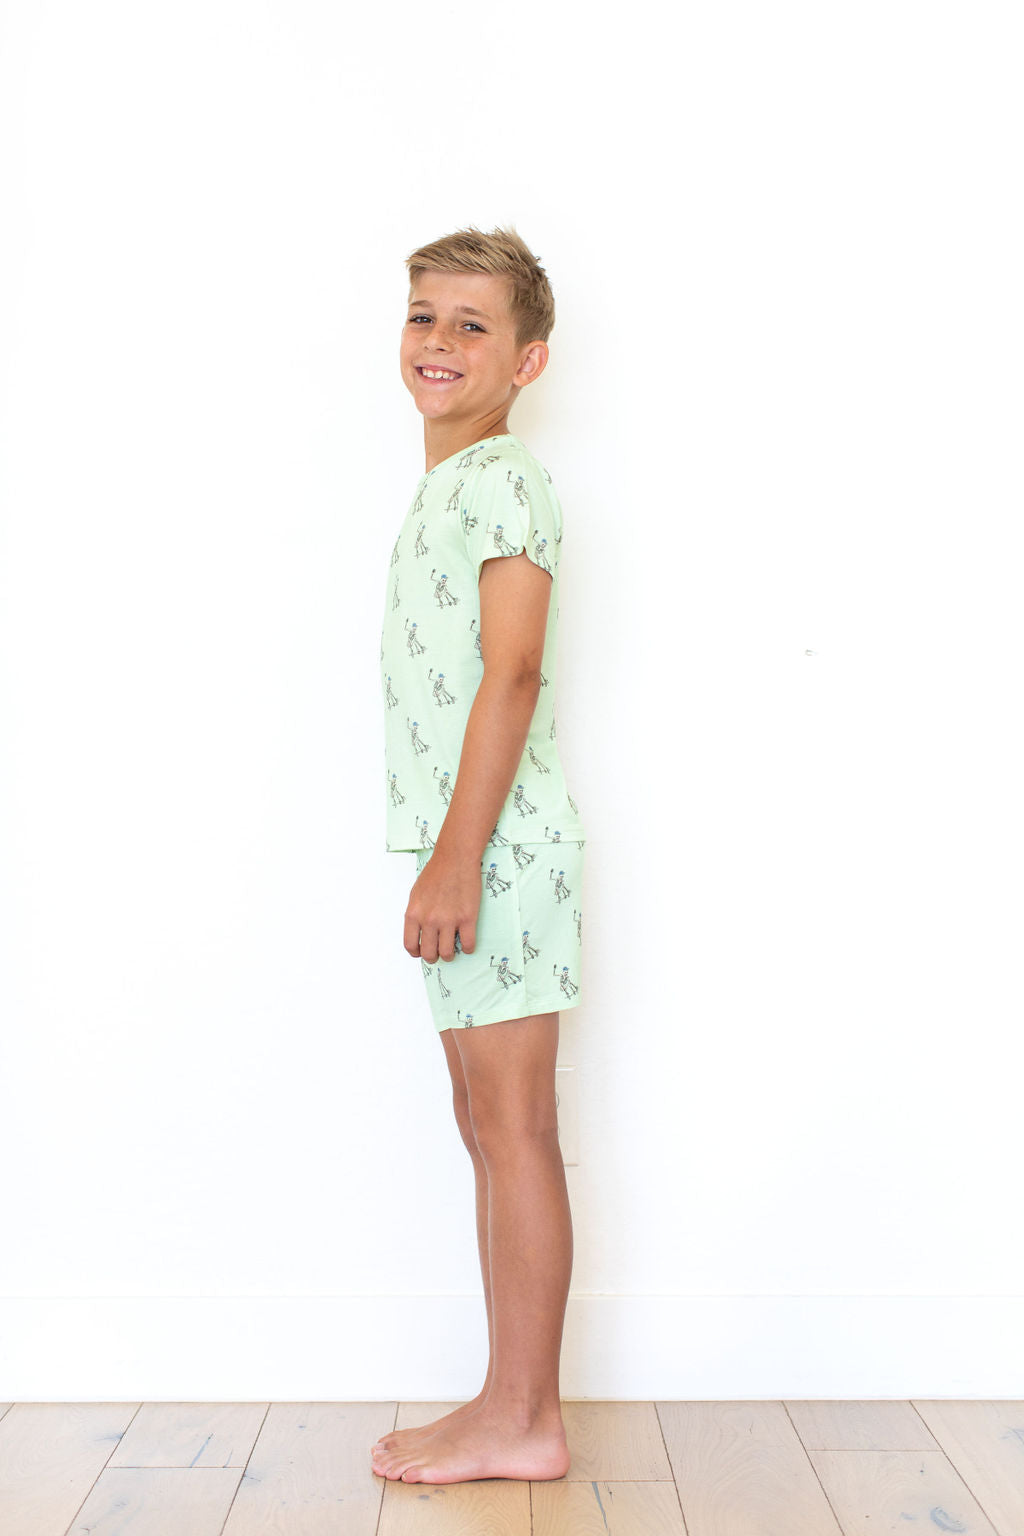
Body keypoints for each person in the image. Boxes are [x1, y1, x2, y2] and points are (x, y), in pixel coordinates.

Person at [370, 226, 586, 1486]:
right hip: (470, 849)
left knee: (513, 1127)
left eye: (472, 325)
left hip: (499, 853)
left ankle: (526, 1417)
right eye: (423, 316)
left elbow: (512, 673)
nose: (439, 343)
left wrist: (455, 860)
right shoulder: (449, 486)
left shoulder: (506, 481)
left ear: (527, 360)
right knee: (485, 1124)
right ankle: (507, 1401)